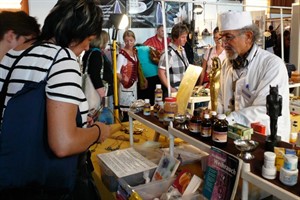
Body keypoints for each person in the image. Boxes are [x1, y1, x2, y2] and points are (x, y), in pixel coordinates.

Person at [0, 0, 110, 199]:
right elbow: (63, 143)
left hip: (11, 177)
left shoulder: (12, 54)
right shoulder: (62, 58)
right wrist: (98, 131)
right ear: (75, 32)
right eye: (88, 38)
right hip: (48, 186)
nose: (87, 46)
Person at [217, 11, 290, 142]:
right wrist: (216, 117)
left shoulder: (272, 65)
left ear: (248, 36)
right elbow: (221, 99)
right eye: (221, 38)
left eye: (228, 37)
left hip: (264, 140)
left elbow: (264, 111)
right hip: (233, 137)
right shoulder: (226, 64)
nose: (223, 44)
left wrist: (227, 120)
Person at [82, 30, 114, 124]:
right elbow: (95, 74)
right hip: (100, 96)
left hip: (95, 93)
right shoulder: (96, 54)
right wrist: (103, 95)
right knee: (103, 123)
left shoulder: (89, 53)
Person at [117, 30, 146, 121]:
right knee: (127, 112)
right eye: (126, 41)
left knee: (133, 109)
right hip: (125, 86)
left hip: (134, 85)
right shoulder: (122, 55)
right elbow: (117, 72)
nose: (129, 43)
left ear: (134, 40)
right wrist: (124, 81)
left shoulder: (134, 52)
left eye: (131, 40)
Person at [158, 23, 190, 95]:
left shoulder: (182, 50)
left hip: (183, 89)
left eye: (186, 37)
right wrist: (170, 88)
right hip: (174, 91)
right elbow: (161, 72)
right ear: (175, 38)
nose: (185, 40)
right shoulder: (169, 53)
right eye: (183, 37)